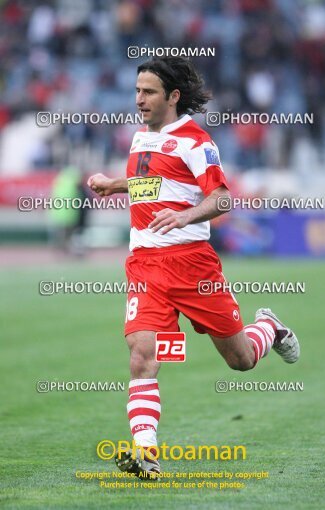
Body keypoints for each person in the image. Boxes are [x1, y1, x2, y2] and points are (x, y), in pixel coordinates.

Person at [87, 56, 300, 480]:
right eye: (136, 91)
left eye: (147, 92)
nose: (139, 100)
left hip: (194, 267)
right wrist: (115, 184)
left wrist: (185, 217)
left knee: (240, 361)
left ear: (173, 96)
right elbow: (157, 183)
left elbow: (222, 198)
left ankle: (269, 328)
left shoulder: (196, 141)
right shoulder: (140, 138)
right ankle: (146, 455)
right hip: (146, 264)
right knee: (142, 355)